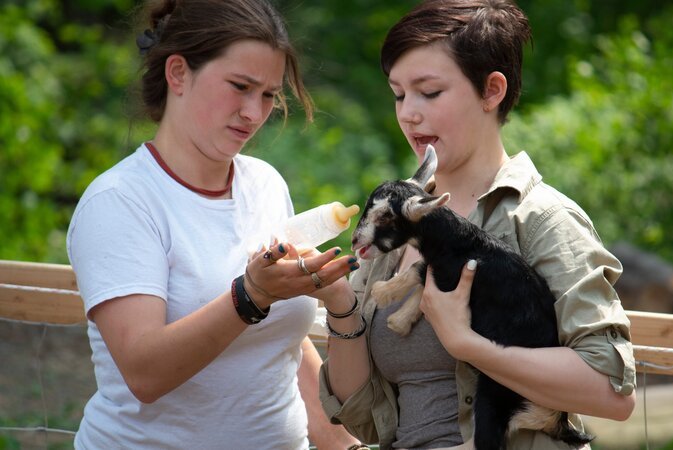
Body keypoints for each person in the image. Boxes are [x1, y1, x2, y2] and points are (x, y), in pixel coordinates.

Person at [316, 1, 637, 449]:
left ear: (492, 91)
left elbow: (612, 392)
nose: (408, 112)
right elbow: (360, 413)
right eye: (398, 94)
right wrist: (339, 303)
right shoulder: (398, 220)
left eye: (429, 92)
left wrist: (467, 345)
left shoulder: (543, 219)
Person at [66, 1, 364, 448]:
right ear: (178, 74)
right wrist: (251, 296)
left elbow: (282, 347)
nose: (253, 112)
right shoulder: (121, 201)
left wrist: (343, 445)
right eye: (240, 86)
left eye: (267, 94)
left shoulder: (264, 183)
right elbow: (144, 373)